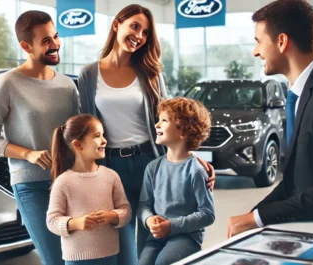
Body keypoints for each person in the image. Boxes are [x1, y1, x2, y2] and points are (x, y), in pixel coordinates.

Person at [77, 4, 216, 263]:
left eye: (145, 33)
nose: (139, 36)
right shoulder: (88, 74)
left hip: (150, 162)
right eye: (135, 26)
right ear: (117, 24)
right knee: (121, 243)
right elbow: (86, 127)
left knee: (154, 237)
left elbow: (169, 121)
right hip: (110, 166)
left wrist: (192, 157)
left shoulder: (150, 72)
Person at [0, 10, 79, 265]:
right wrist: (29, 154)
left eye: (56, 36)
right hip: (31, 186)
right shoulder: (8, 83)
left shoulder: (67, 85)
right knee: (55, 259)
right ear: (26, 45)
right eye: (46, 40)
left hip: (70, 182)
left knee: (78, 257)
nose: (55, 45)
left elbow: (77, 135)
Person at [227, 0, 313, 238]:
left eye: (258, 41)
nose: (255, 52)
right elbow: (294, 180)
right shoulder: (303, 92)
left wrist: (256, 218)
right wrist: (254, 216)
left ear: (281, 41)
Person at [137, 98, 215, 265]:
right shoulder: (152, 168)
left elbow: (208, 214)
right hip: (157, 236)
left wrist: (171, 226)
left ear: (184, 132)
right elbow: (144, 204)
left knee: (163, 263)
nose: (157, 125)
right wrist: (149, 220)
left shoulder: (197, 171)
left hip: (187, 236)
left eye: (164, 120)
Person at [47, 114, 131, 265]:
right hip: (76, 260)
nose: (104, 140)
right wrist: (76, 223)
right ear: (78, 145)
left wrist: (111, 216)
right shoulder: (63, 182)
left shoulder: (111, 176)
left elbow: (126, 210)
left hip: (109, 255)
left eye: (103, 135)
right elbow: (52, 221)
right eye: (97, 136)